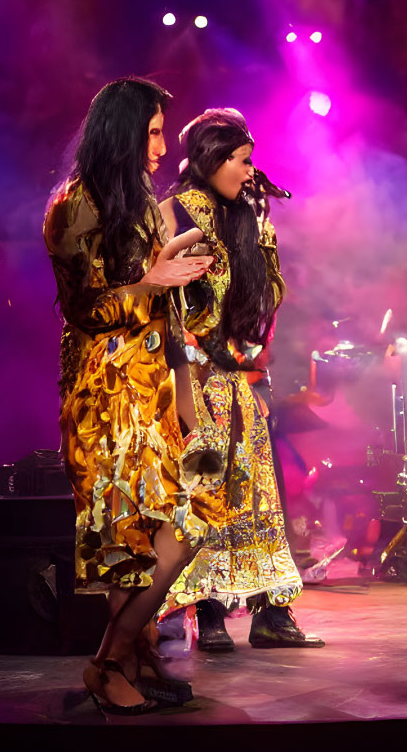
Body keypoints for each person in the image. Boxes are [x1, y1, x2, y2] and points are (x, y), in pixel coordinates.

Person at [43, 78, 221, 714]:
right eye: (152, 131)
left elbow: (165, 311)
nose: (162, 144)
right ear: (122, 132)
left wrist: (186, 397)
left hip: (152, 392)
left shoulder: (146, 206)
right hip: (104, 396)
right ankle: (115, 660)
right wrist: (151, 279)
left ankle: (123, 655)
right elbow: (86, 309)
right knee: (131, 543)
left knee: (188, 521)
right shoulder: (71, 207)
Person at [158, 108, 321, 650]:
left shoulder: (247, 216)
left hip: (240, 380)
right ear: (213, 158)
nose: (251, 171)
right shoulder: (174, 212)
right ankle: (206, 615)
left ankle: (272, 614)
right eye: (242, 161)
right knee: (204, 495)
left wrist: (263, 240)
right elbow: (164, 307)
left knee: (258, 496)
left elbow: (263, 303)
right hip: (191, 378)